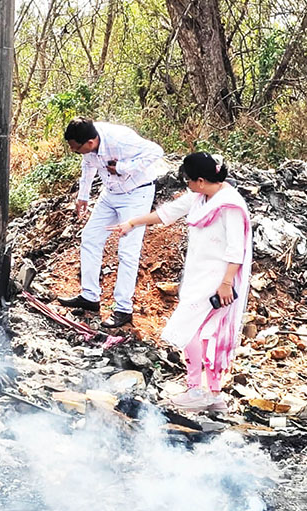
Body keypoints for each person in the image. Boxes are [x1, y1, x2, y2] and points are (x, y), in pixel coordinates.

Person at [109, 152, 252, 411]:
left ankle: (197, 390)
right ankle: (213, 395)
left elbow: (236, 248)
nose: (186, 183)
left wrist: (226, 283)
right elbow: (167, 214)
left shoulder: (229, 204)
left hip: (217, 278)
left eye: (188, 179)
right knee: (203, 333)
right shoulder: (201, 196)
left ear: (199, 180)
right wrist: (132, 222)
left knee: (192, 331)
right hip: (199, 274)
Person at [57, 117, 165, 328]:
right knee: (90, 237)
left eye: (76, 149)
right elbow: (87, 167)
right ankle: (90, 297)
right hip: (110, 194)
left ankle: (123, 309)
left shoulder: (120, 139)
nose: (76, 152)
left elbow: (156, 151)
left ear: (90, 143)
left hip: (136, 193)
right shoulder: (88, 149)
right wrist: (83, 196)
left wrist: (124, 167)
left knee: (127, 251)